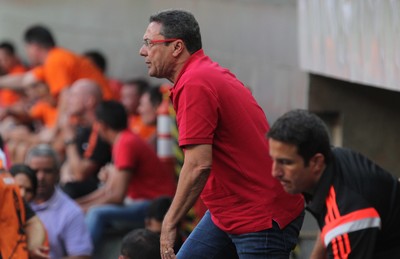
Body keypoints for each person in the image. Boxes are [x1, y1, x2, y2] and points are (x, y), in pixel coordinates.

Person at [139, 9, 304, 259]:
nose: (143, 51)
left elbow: (197, 166)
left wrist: (169, 222)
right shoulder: (201, 75)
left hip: (258, 215)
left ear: (176, 47)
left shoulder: (195, 83)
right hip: (228, 212)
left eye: (149, 43)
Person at [267, 109, 400, 259]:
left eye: (286, 162)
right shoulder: (333, 159)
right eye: (274, 160)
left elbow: (337, 219)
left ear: (316, 162)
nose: (275, 172)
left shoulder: (347, 216)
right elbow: (330, 220)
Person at [78, 100, 176, 250]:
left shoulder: (126, 143)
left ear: (102, 125)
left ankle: (79, 255)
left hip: (154, 206)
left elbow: (116, 196)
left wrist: (84, 208)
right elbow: (107, 191)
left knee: (97, 213)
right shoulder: (123, 140)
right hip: (142, 202)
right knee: (89, 209)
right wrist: (79, 204)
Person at [0, 25, 112, 100]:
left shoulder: (55, 60)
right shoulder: (53, 59)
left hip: (103, 113)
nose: (27, 53)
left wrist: (55, 130)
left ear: (34, 47)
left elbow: (65, 95)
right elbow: (25, 79)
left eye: (27, 48)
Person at [27, 144, 93, 259]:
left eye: (47, 171)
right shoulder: (14, 204)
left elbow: (81, 256)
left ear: (57, 174)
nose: (40, 177)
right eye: (35, 171)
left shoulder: (71, 212)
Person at [60, 79, 111, 199]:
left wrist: (69, 139)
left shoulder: (101, 129)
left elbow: (80, 174)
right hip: (80, 186)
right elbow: (68, 161)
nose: (68, 100)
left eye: (73, 96)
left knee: (68, 190)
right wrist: (65, 172)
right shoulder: (83, 127)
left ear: (90, 101)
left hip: (99, 190)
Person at [0, 41, 26, 107]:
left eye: (5, 59)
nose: (2, 63)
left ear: (13, 57)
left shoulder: (19, 71)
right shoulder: (5, 73)